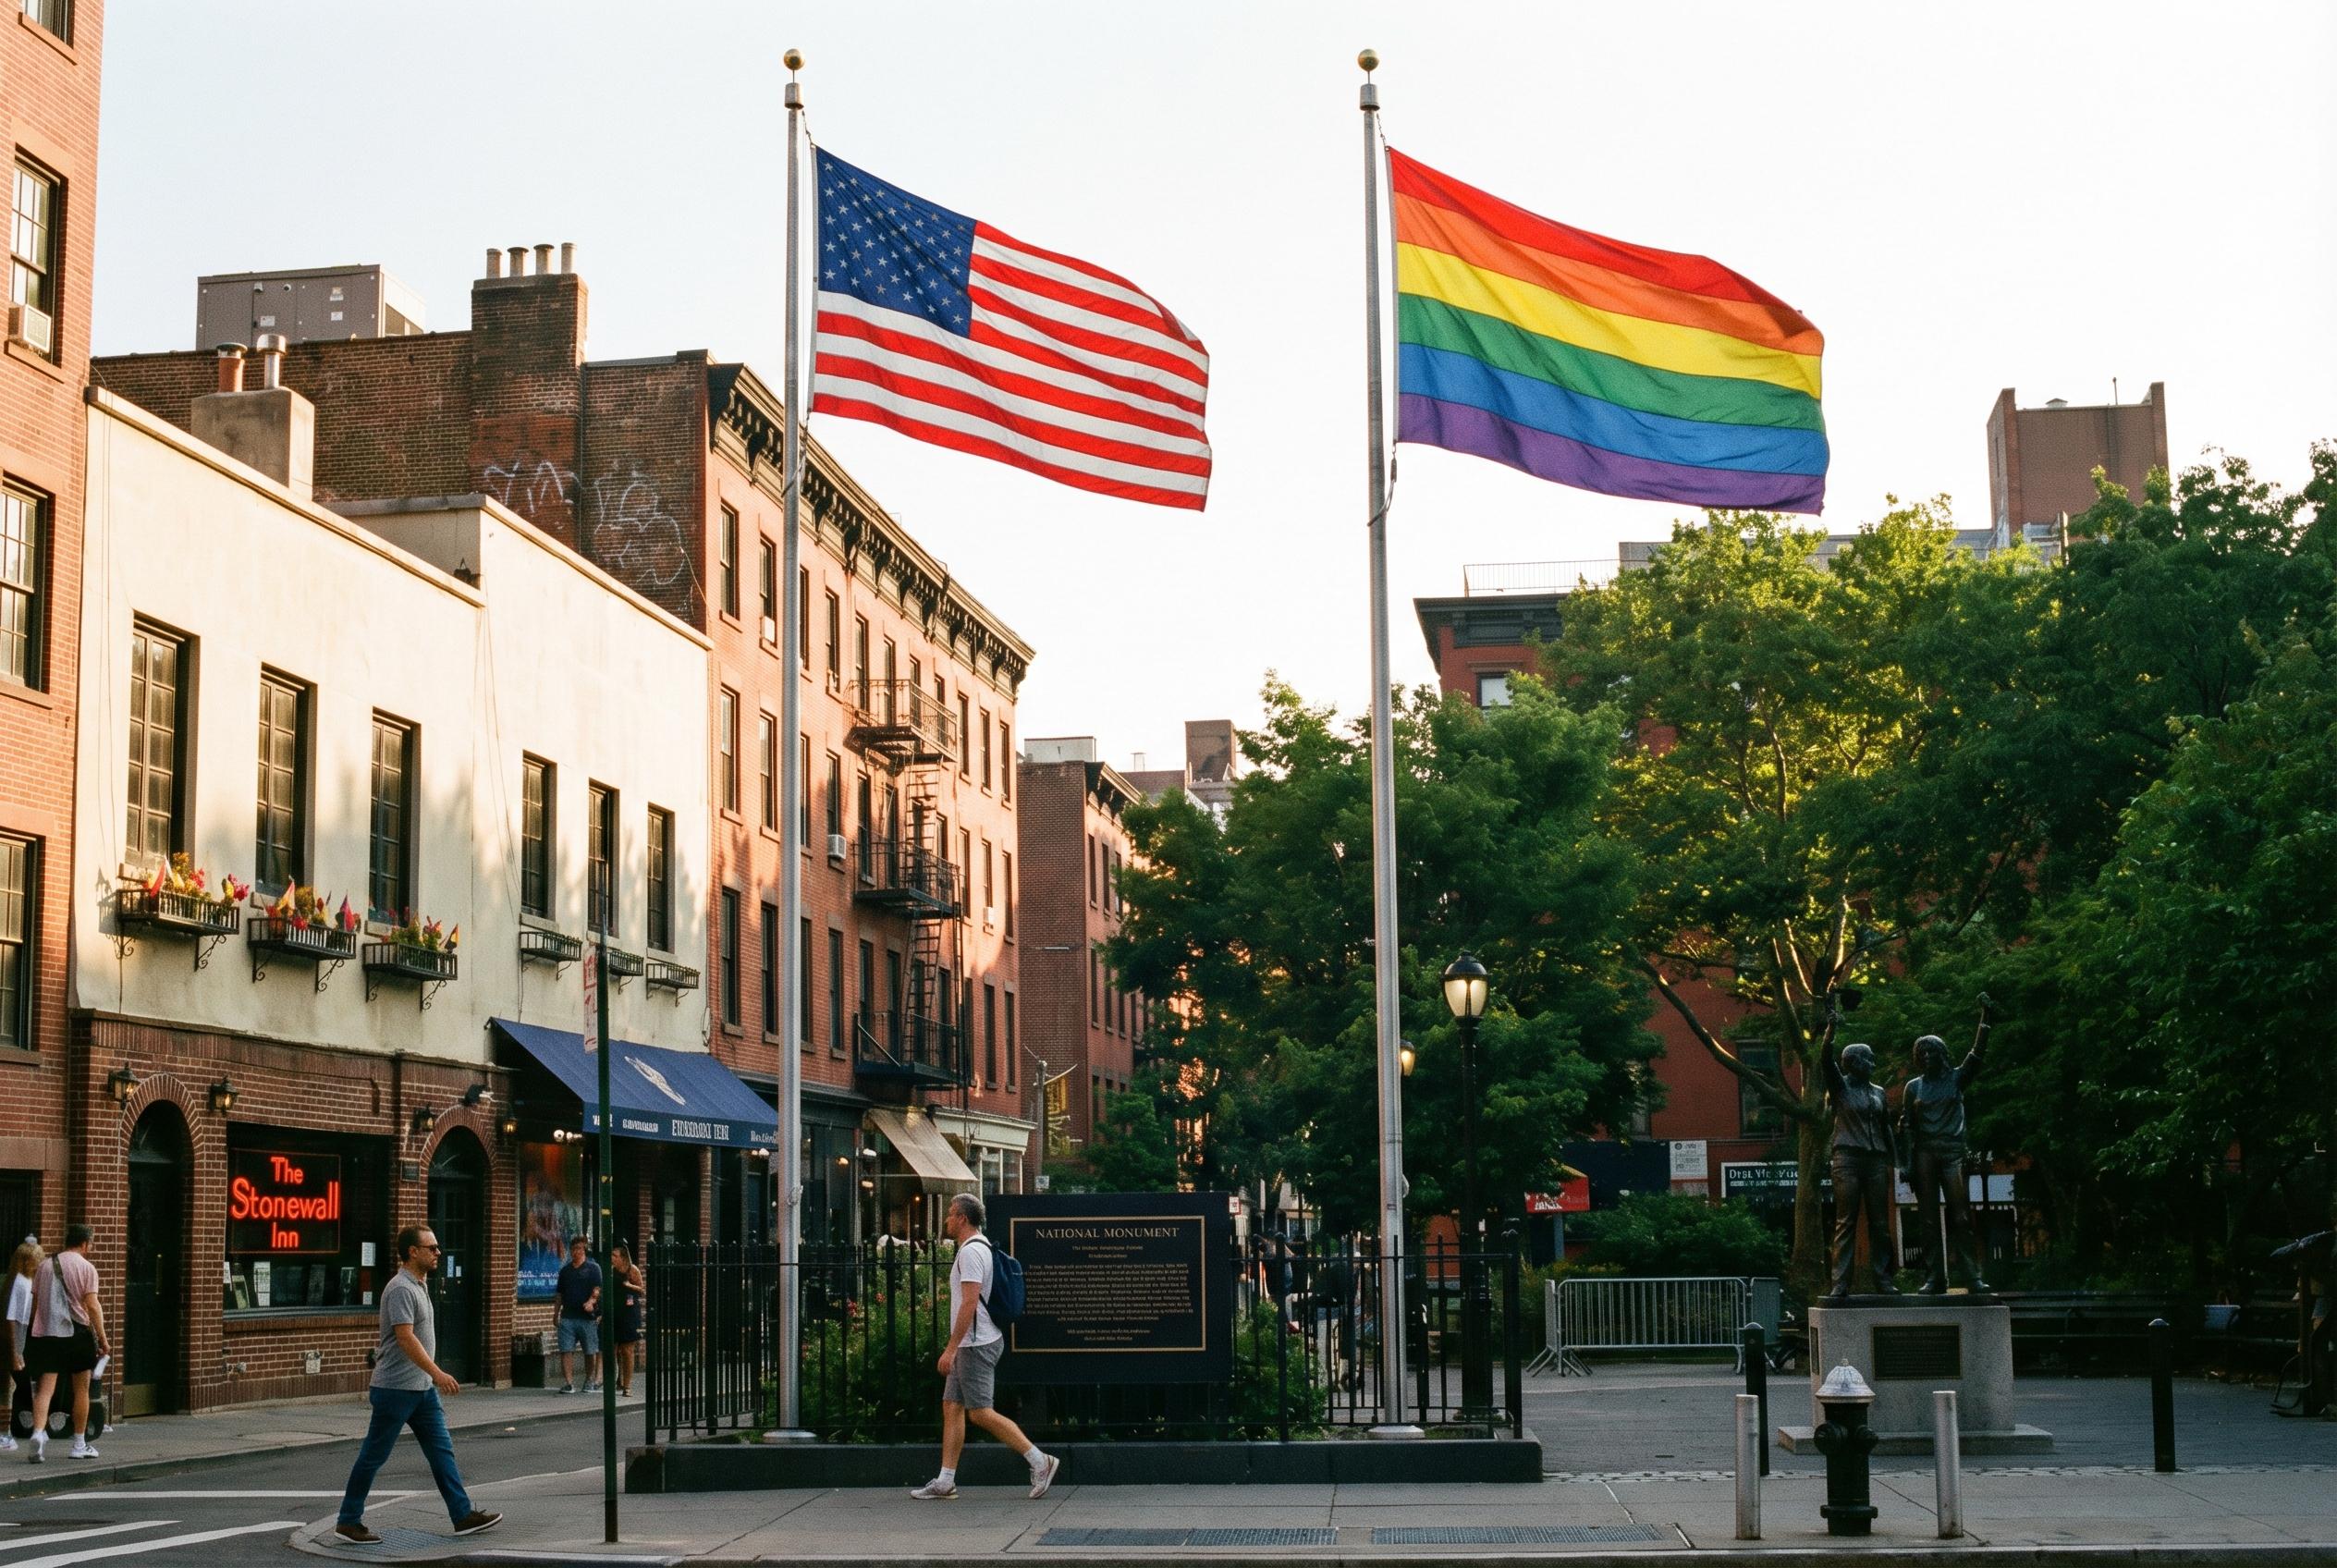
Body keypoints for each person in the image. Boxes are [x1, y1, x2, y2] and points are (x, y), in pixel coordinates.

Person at [333, 1225, 500, 1545]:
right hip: (395, 1389)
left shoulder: (420, 1285)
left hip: (421, 1391)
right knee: (373, 1456)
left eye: (437, 1248)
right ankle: (348, 1520)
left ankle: (462, 1515)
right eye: (432, 1247)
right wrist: (438, 1373)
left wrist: (430, 1379)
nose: (439, 1253)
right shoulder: (400, 1289)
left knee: (442, 1453)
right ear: (413, 1251)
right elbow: (405, 1337)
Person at [910, 1194, 1057, 1501]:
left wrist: (950, 1349)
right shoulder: (978, 1247)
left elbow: (970, 1303)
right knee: (952, 1407)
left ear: (963, 1218)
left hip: (975, 1344)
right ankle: (945, 1480)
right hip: (971, 1343)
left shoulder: (971, 1253)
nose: (947, 1219)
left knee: (980, 1413)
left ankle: (1039, 1461)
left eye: (950, 1214)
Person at [1897, 999, 1992, 1294]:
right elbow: (1906, 1127)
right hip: (1924, 1153)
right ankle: (1935, 1277)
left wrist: (1985, 1019)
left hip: (1952, 1151)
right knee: (1927, 1218)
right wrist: (1906, 1164)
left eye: (1931, 1051)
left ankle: (1971, 1275)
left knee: (1961, 1215)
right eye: (1921, 1052)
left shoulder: (1956, 1078)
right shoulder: (1913, 1087)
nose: (1926, 1056)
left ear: (1941, 1054)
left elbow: (1977, 1055)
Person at [23, 1223, 106, 1463]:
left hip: (48, 1333)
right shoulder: (87, 1268)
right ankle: (79, 1443)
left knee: (44, 1388)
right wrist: (102, 1338)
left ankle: (38, 1434)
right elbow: (92, 1306)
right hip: (77, 1334)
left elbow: (36, 1304)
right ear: (85, 1243)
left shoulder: (45, 1266)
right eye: (91, 1243)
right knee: (81, 1389)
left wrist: (34, 1331)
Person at [1824, 1041, 1900, 1300]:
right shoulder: (1840, 1088)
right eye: (1868, 1059)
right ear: (1853, 1063)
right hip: (1847, 1159)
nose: (1873, 1064)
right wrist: (1830, 1031)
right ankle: (1840, 1283)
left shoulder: (1879, 1092)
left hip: (1876, 1160)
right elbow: (1825, 1059)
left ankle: (1884, 1279)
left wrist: (1897, 1161)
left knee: (1880, 1224)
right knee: (1846, 1222)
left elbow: (1885, 1126)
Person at [2, 1239, 39, 1454]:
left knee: (21, 1386)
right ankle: (17, 1427)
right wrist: (16, 1352)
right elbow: (12, 1318)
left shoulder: (20, 1280)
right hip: (15, 1340)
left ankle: (19, 1426)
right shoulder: (20, 1283)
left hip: (19, 1338)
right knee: (22, 1385)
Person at [555, 1235, 602, 1393]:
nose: (575, 1252)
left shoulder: (593, 1268)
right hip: (568, 1316)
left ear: (585, 1250)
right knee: (566, 1350)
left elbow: (597, 1289)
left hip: (587, 1318)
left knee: (590, 1351)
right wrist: (555, 1314)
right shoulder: (565, 1271)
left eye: (579, 1249)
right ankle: (569, 1382)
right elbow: (559, 1294)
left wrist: (591, 1301)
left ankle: (589, 1379)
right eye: (573, 1249)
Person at [609, 1243, 644, 1397]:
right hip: (616, 1311)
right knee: (613, 1349)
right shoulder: (611, 1271)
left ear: (622, 1258)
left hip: (630, 1312)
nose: (612, 1258)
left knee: (627, 1350)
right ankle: (617, 1379)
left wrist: (629, 1285)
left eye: (615, 1256)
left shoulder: (632, 1269)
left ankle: (627, 1385)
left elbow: (641, 1289)